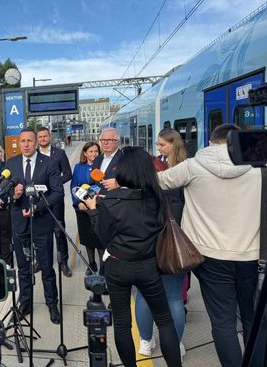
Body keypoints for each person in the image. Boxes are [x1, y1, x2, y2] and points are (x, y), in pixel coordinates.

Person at [157, 123, 267, 367]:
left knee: (223, 322)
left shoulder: (192, 166)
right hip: (254, 258)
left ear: (210, 142)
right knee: (255, 320)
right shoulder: (262, 169)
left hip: (210, 258)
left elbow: (157, 182)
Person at [84, 147, 182, 367]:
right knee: (164, 320)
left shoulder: (111, 201)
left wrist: (93, 209)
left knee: (122, 324)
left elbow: (103, 236)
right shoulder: (157, 197)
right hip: (149, 264)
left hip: (118, 266)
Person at [135, 129, 188, 357]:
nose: (158, 149)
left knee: (144, 295)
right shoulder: (188, 170)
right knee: (174, 297)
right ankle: (175, 344)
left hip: (148, 243)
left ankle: (146, 341)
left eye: (162, 145)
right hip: (175, 243)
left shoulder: (152, 173)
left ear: (174, 145)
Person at [6, 128, 64, 324]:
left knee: (46, 267)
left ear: (36, 143)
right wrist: (13, 195)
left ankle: (52, 304)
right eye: (22, 141)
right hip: (19, 223)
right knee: (23, 268)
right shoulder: (11, 163)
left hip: (42, 222)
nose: (26, 144)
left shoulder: (49, 163)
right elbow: (4, 191)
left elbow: (57, 192)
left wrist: (38, 207)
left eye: (29, 141)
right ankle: (26, 303)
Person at [36, 126, 73, 277]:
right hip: (39, 199)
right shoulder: (34, 154)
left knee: (59, 230)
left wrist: (54, 184)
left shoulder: (59, 153)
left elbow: (68, 174)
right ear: (37, 139)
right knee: (39, 232)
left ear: (49, 137)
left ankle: (63, 262)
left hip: (56, 199)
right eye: (40, 137)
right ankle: (40, 261)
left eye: (45, 136)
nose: (43, 139)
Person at [70, 141, 103, 275]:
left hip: (98, 207)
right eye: (91, 151)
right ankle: (91, 264)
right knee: (87, 237)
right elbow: (74, 186)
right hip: (83, 208)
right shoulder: (79, 167)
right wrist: (78, 202)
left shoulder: (102, 166)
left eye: (96, 151)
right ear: (85, 153)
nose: (94, 154)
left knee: (99, 237)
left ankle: (103, 268)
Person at [91, 128, 122, 193]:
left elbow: (135, 182)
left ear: (117, 142)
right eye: (103, 140)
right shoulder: (97, 159)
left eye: (109, 140)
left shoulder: (125, 159)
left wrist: (118, 184)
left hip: (115, 198)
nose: (105, 143)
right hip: (98, 198)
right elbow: (93, 182)